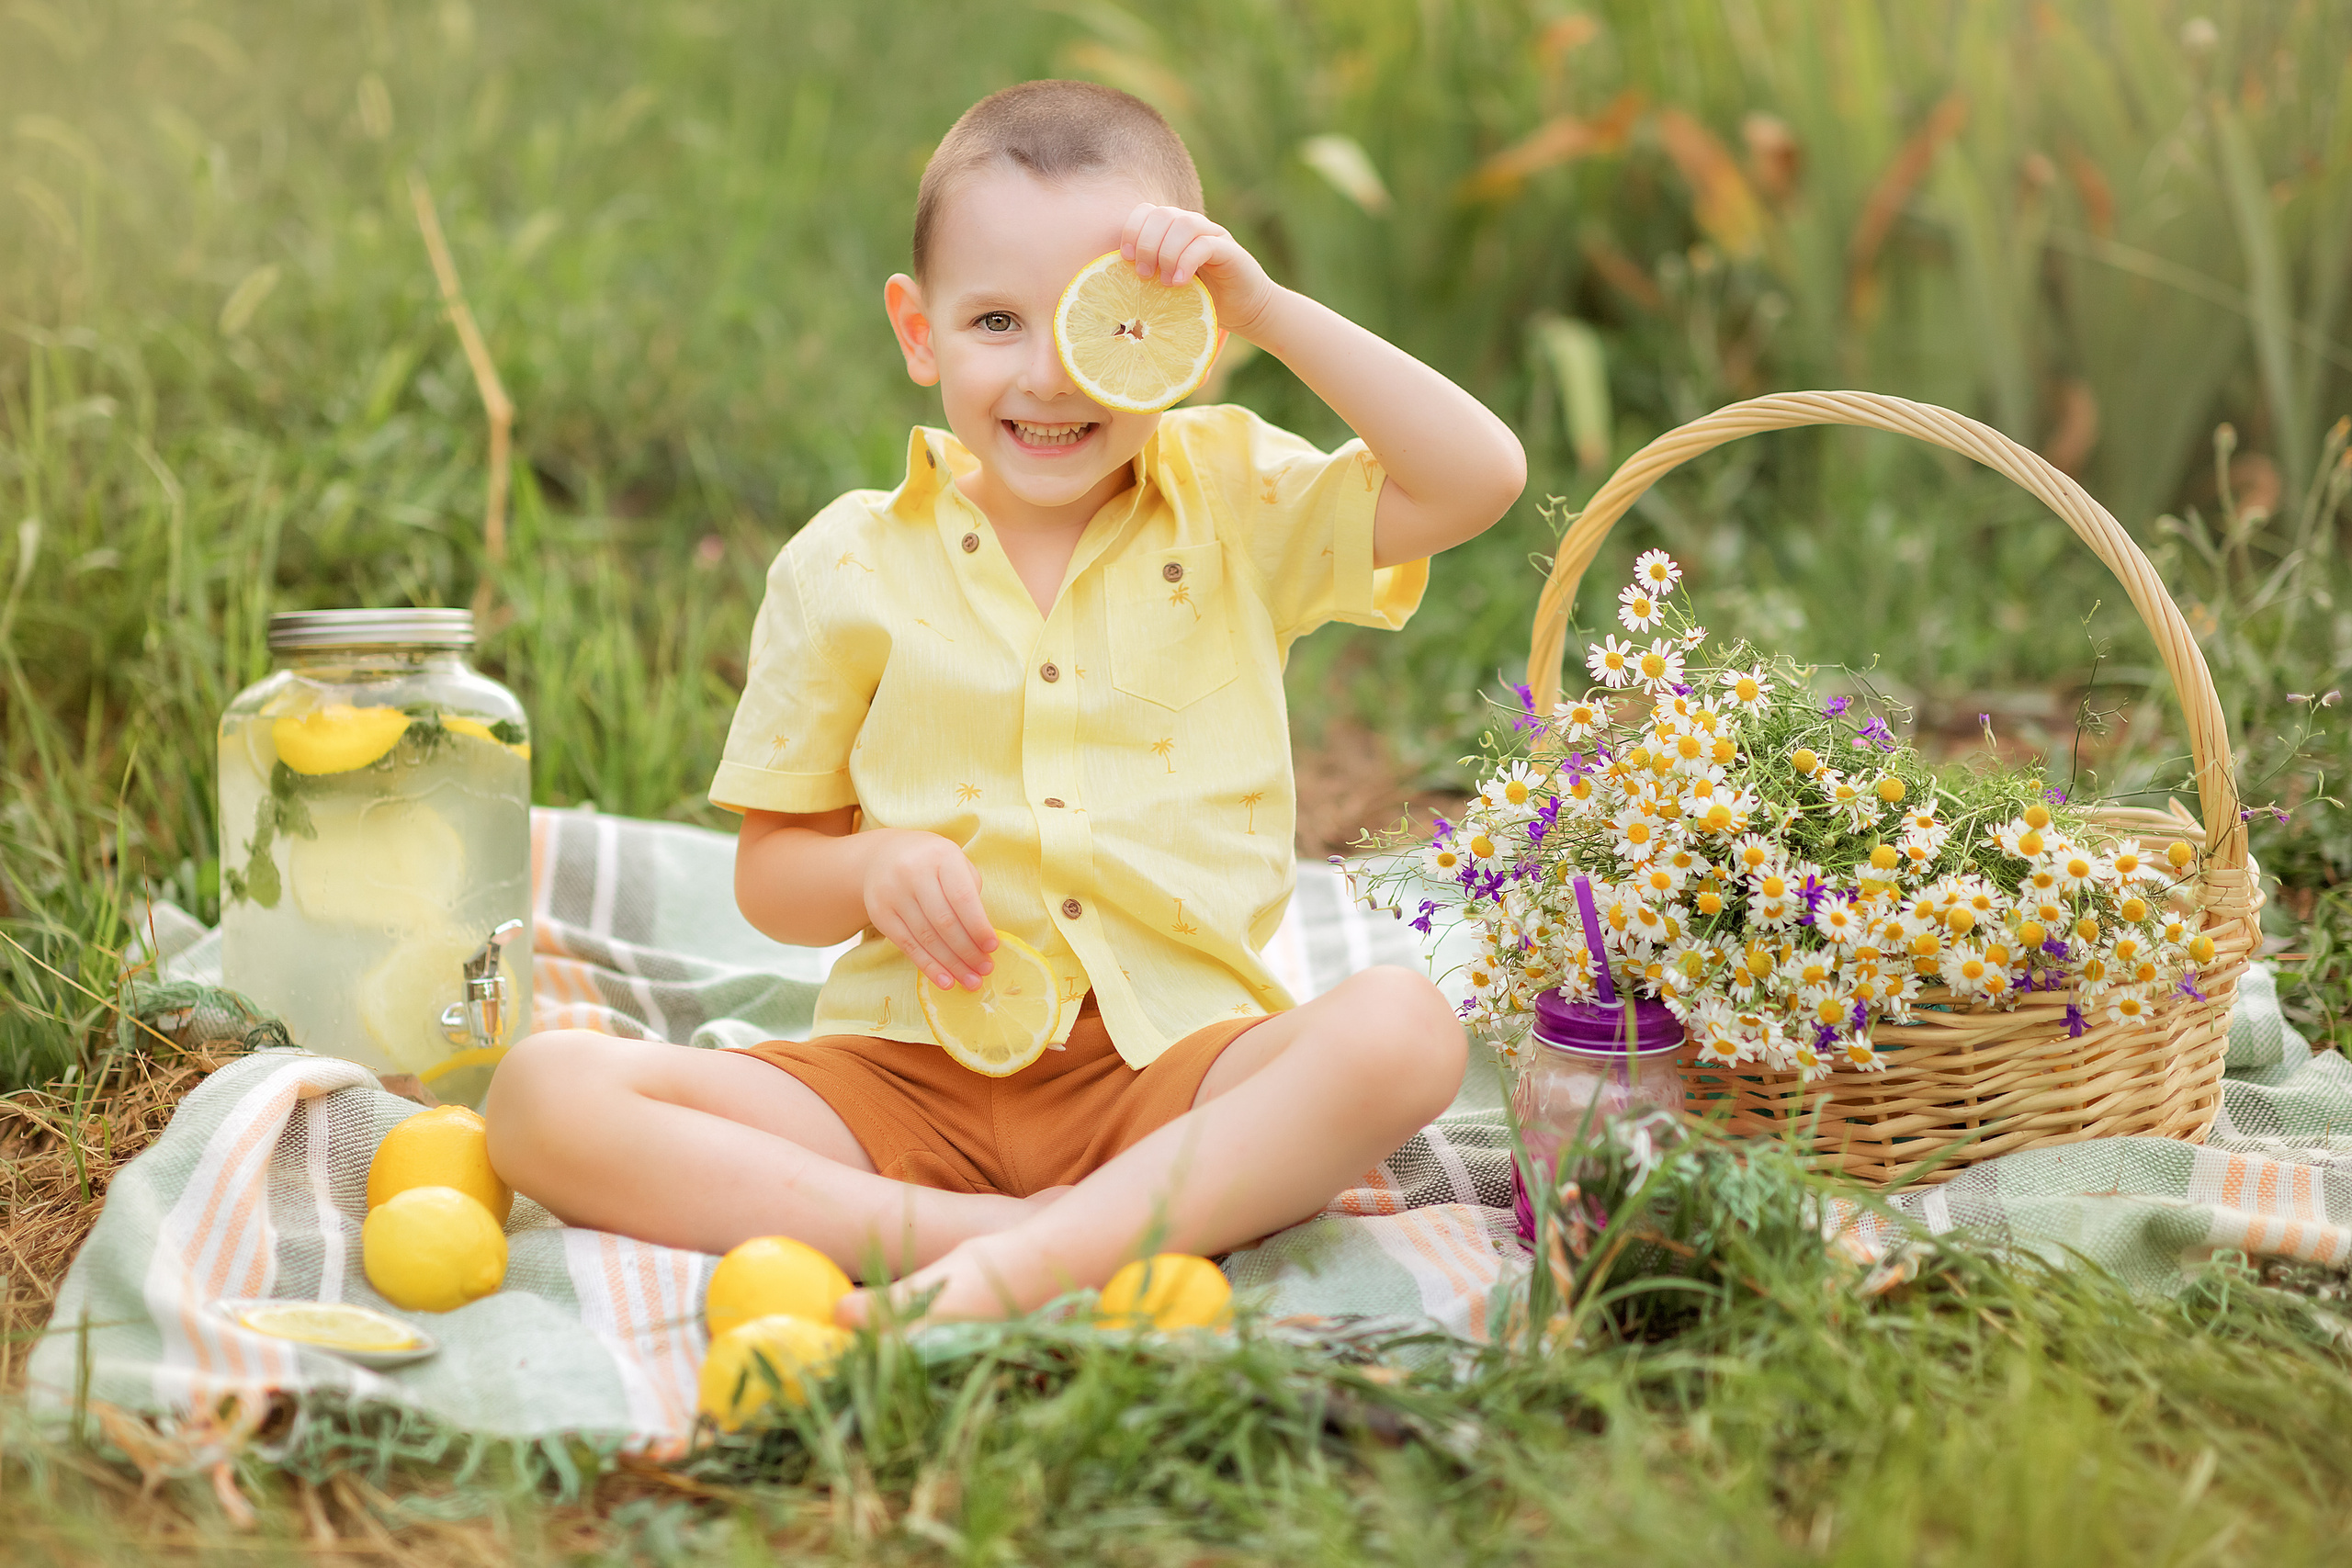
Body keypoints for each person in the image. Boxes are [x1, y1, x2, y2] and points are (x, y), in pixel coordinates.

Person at [486, 79, 1525, 1322]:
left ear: (1185, 332)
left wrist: (1267, 310)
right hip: (904, 1080)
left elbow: (1478, 476)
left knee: (1407, 1028)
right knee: (543, 1095)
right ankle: (1011, 1242)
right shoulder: (848, 563)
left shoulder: (1235, 501)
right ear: (918, 331)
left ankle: (1014, 1262)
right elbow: (773, 877)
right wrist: (873, 869)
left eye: (1103, 324)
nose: (1048, 376)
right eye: (994, 321)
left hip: (1171, 1077)